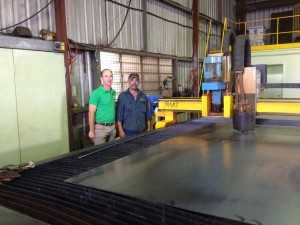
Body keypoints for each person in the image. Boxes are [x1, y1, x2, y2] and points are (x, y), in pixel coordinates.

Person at [117, 73, 151, 138]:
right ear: (128, 81)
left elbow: (147, 114)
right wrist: (120, 130)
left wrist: (149, 128)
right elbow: (119, 115)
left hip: (143, 131)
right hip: (128, 132)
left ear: (139, 81)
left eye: (136, 80)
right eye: (132, 80)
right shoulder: (122, 96)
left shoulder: (143, 96)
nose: (134, 82)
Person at [88, 69, 116, 145]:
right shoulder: (96, 93)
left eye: (111, 76)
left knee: (112, 151)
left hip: (112, 127)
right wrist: (92, 131)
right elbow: (91, 113)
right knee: (100, 153)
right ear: (101, 78)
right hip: (101, 128)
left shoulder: (113, 92)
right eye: (106, 76)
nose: (109, 78)